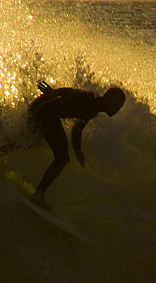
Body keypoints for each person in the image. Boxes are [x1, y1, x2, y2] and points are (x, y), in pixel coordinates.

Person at [28, 80, 126, 208]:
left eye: (120, 107)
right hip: (47, 113)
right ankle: (39, 194)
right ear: (107, 98)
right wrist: (53, 93)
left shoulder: (94, 108)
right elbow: (69, 92)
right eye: (116, 104)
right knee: (62, 158)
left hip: (44, 111)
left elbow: (77, 128)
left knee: (31, 142)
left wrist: (77, 150)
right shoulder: (91, 100)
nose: (117, 109)